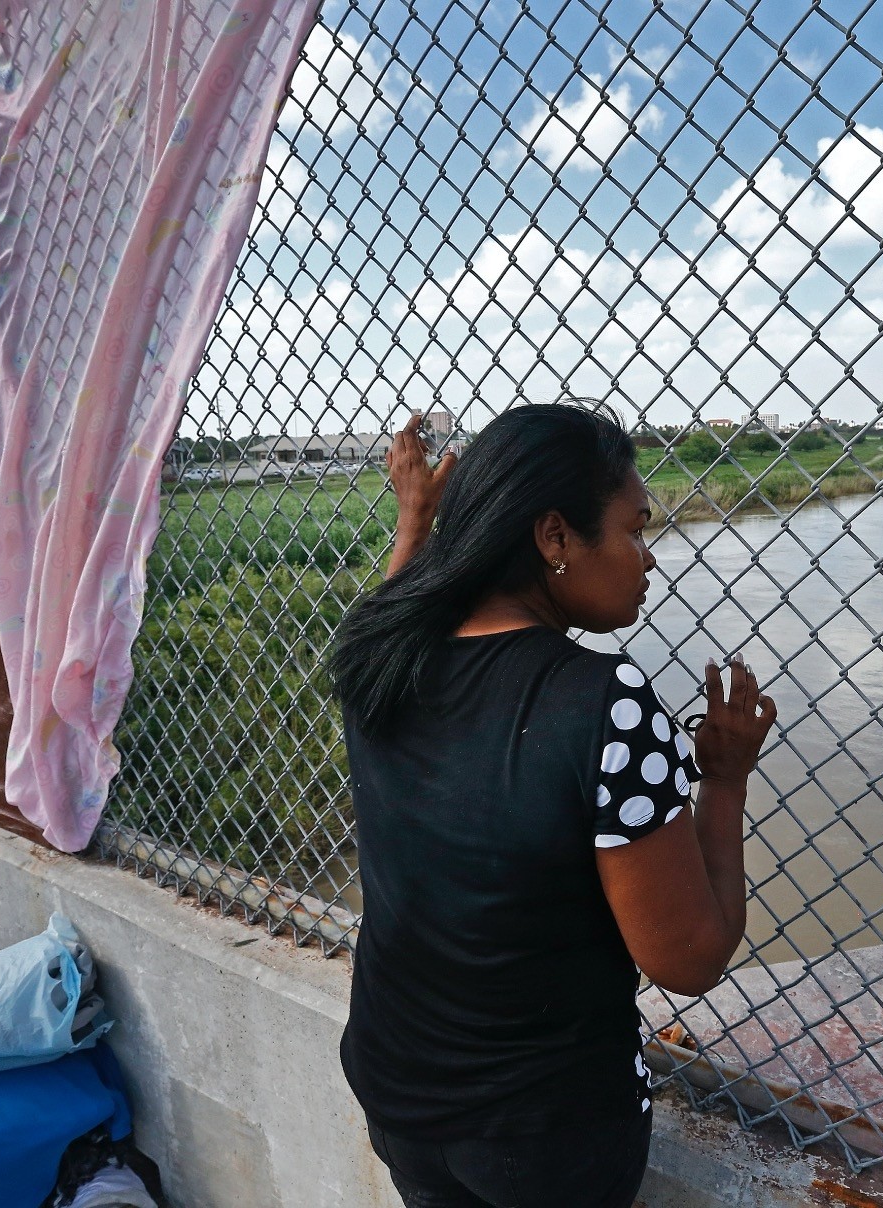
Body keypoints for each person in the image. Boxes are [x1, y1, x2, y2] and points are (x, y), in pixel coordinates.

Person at [327, 403, 777, 1208]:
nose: (649, 557)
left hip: (396, 1085)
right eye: (635, 528)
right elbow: (690, 959)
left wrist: (414, 521)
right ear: (554, 538)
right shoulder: (605, 703)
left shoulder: (375, 650)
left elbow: (402, 597)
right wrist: (726, 778)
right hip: (543, 1137)